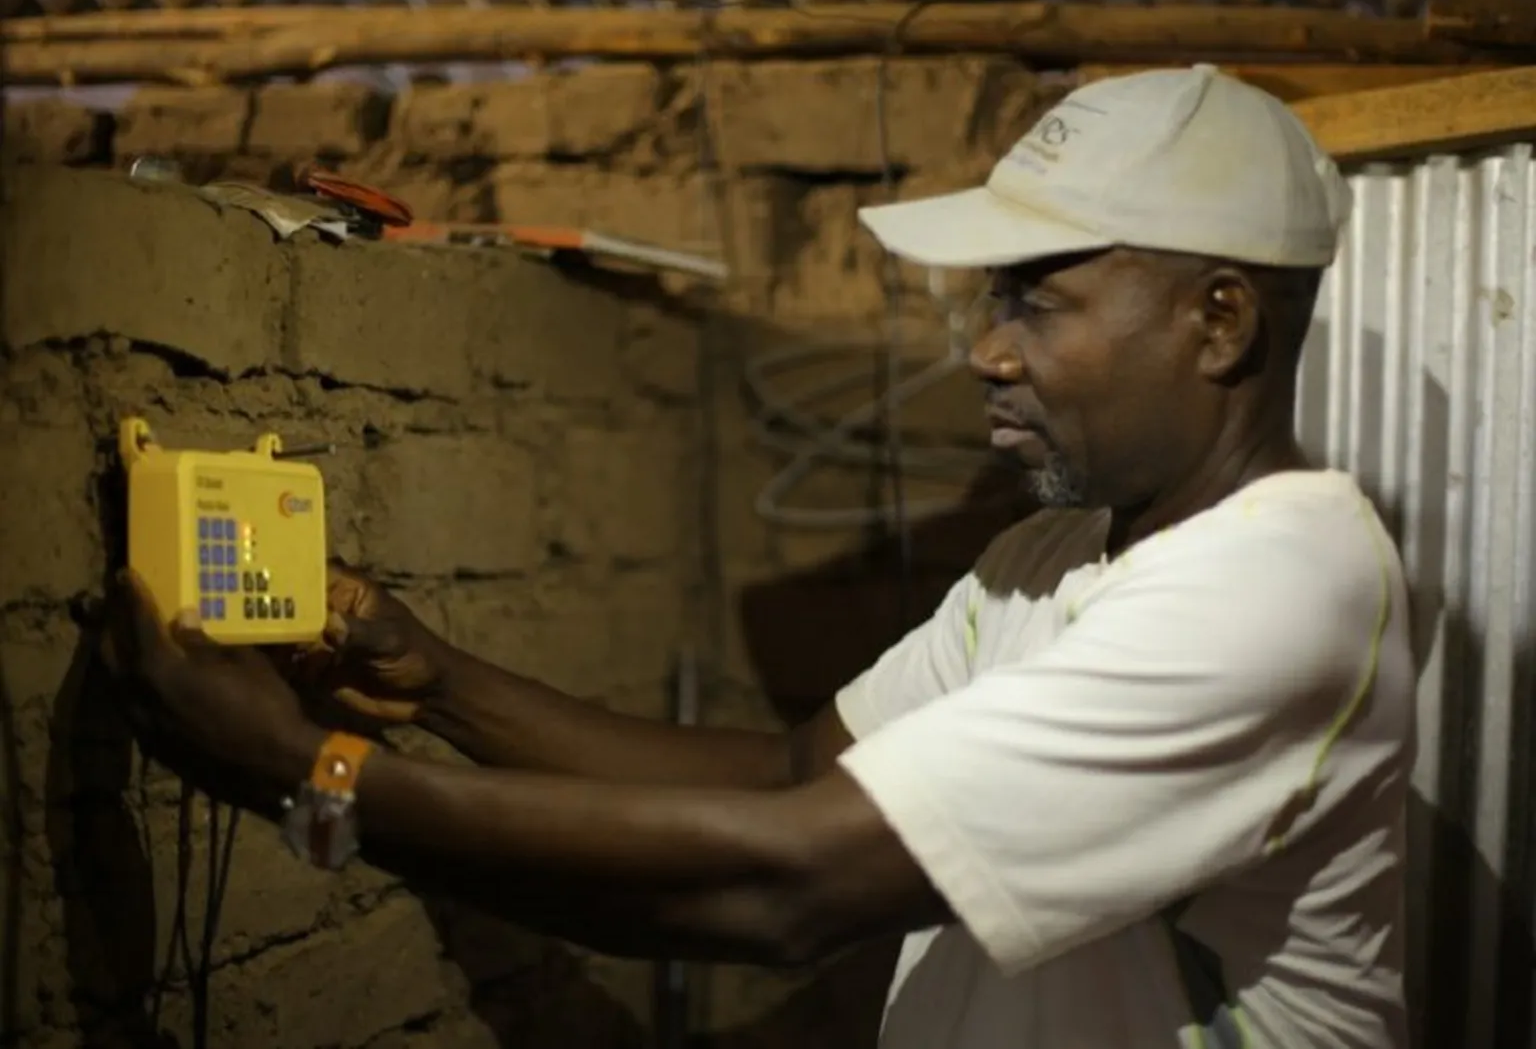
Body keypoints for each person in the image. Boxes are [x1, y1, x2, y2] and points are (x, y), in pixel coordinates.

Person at [107, 64, 1414, 1049]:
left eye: (1040, 299)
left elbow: (784, 880)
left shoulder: (1277, 589)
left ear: (1219, 321)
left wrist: (305, 770)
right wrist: (438, 683)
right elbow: (793, 770)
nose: (989, 350)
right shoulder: (1054, 553)